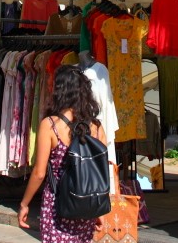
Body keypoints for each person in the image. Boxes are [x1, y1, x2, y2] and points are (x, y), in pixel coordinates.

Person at [18, 64, 107, 243]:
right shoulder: (96, 127)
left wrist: (24, 204)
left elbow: (39, 173)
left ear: (59, 91)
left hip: (57, 204)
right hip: (86, 204)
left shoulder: (50, 125)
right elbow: (103, 173)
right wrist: (100, 209)